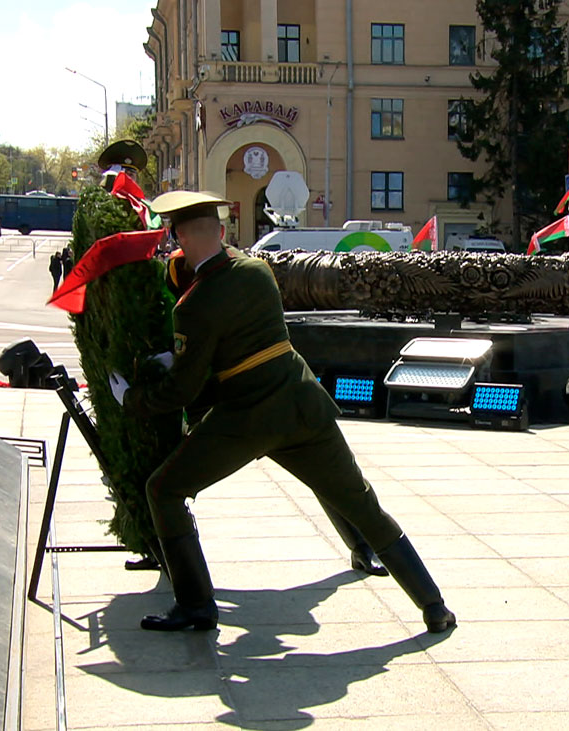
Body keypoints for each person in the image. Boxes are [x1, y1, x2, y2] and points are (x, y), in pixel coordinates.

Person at [108, 190, 456, 632]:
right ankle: (434, 606)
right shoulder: (257, 270)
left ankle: (196, 605)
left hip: (248, 418)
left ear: (179, 238)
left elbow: (184, 389)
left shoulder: (193, 305)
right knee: (363, 504)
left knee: (163, 490)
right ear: (220, 231)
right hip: (302, 403)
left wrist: (131, 398)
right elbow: (236, 321)